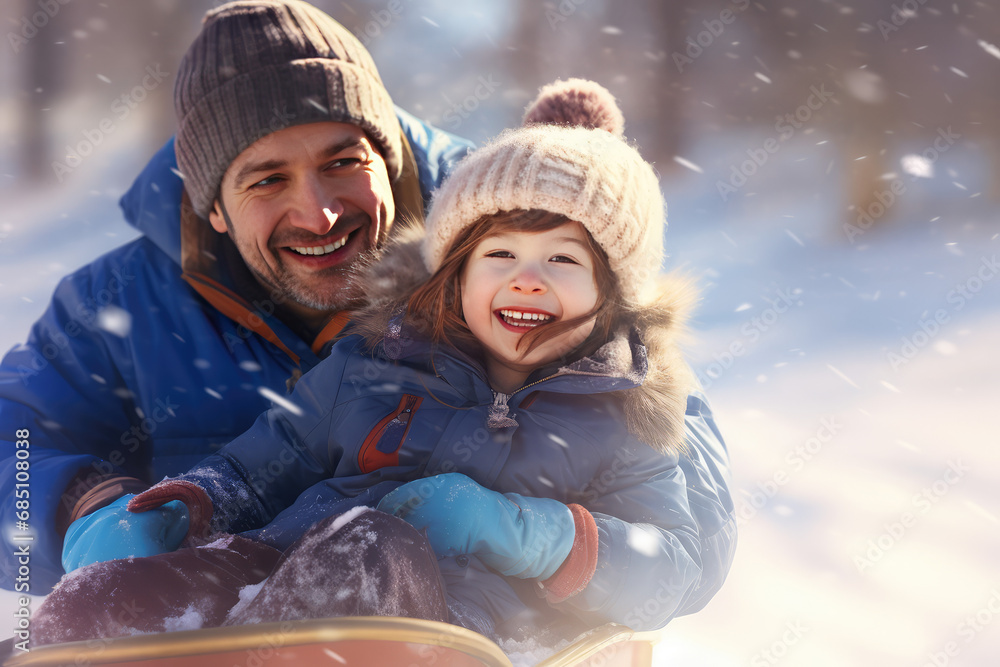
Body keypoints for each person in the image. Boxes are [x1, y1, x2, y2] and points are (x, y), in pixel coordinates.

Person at [32, 79, 736, 651]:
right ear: (454, 272)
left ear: (611, 293)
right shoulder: (379, 358)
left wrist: (525, 531)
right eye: (499, 256)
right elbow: (269, 457)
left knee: (372, 545)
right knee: (101, 599)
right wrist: (193, 499)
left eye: (562, 260)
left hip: (452, 631)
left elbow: (671, 565)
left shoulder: (625, 414)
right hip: (280, 570)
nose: (526, 280)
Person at [0, 0, 474, 594]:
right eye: (268, 180)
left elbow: (617, 430)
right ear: (215, 208)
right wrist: (85, 504)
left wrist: (548, 533)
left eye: (343, 162)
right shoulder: (114, 307)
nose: (320, 214)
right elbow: (12, 439)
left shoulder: (506, 260)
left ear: (388, 159)